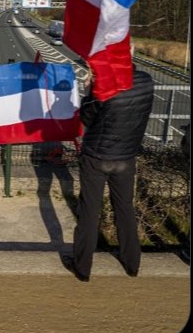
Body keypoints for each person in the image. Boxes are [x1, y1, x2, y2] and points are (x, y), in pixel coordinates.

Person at [63, 64, 155, 282]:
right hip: (126, 157)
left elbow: (86, 118)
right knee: (124, 208)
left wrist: (90, 89)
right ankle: (132, 263)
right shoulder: (146, 81)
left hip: (97, 157)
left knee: (89, 211)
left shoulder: (103, 87)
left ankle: (82, 267)